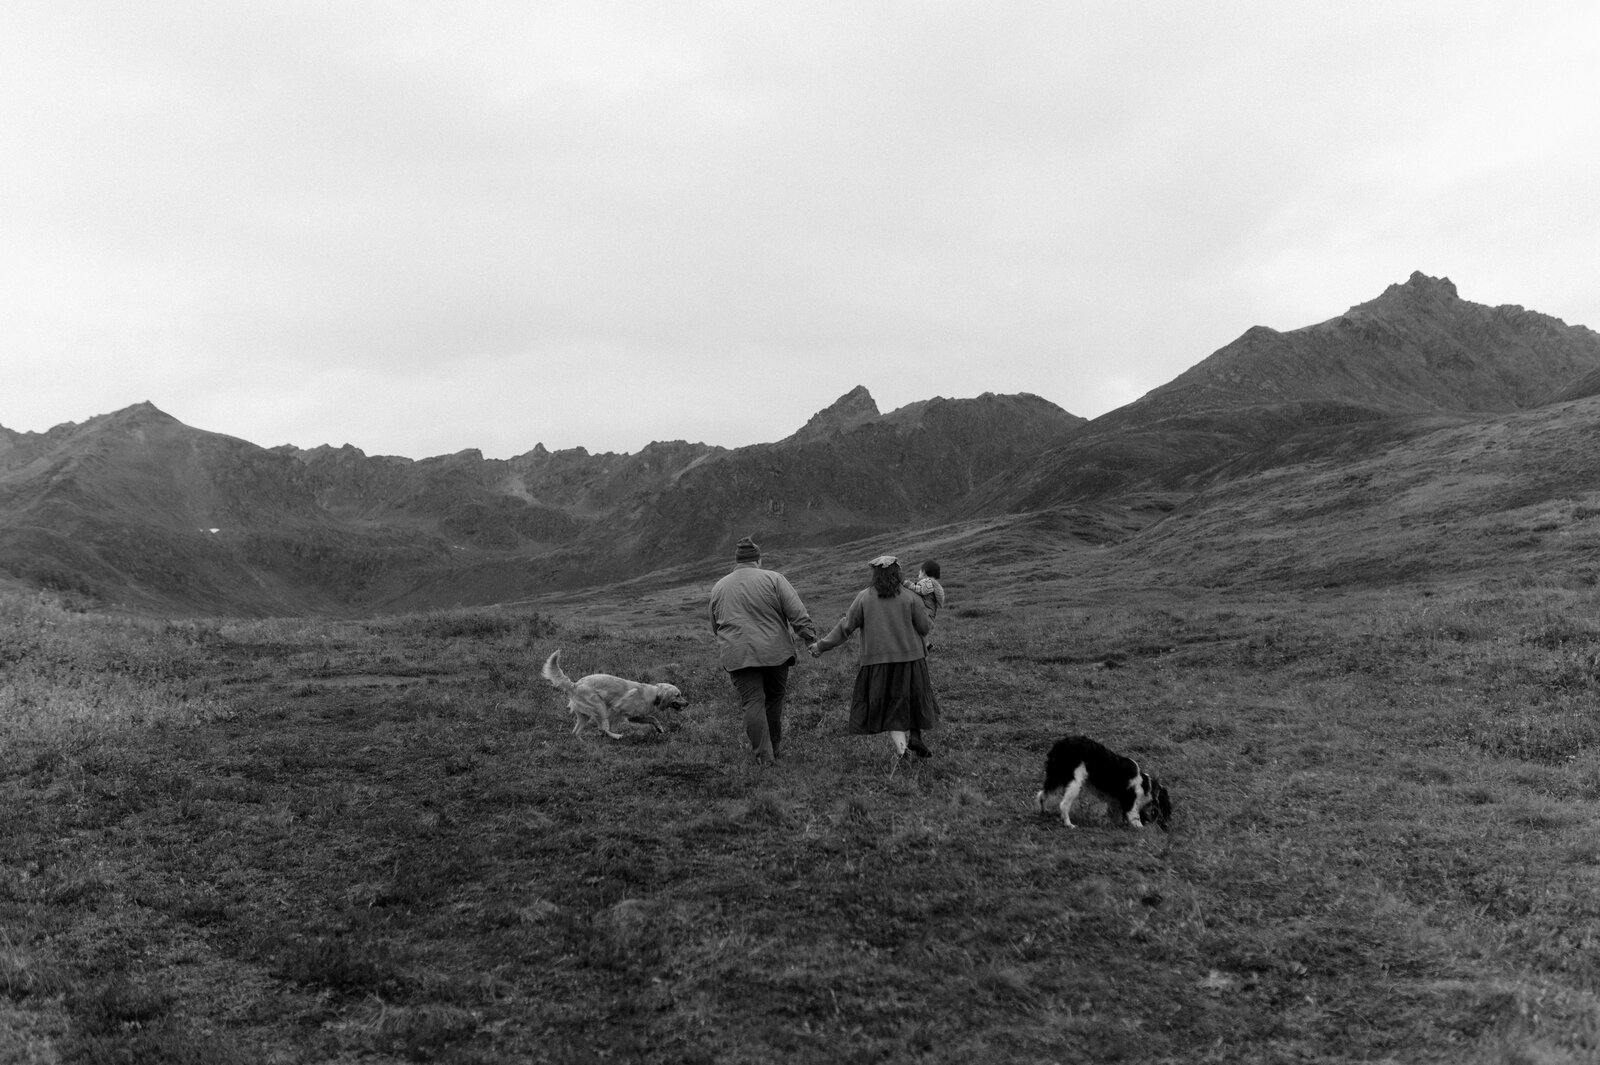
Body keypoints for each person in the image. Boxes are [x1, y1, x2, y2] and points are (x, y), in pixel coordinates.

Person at [809, 554, 939, 758]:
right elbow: (924, 628)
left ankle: (902, 751)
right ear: (898, 573)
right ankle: (915, 736)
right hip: (912, 661)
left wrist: (821, 646)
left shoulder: (864, 597)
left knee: (891, 707)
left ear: (875, 575)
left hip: (879, 664)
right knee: (913, 701)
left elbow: (845, 627)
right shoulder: (910, 597)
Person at [709, 535, 819, 766]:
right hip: (775, 652)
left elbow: (715, 625)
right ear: (758, 560)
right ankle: (774, 747)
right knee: (774, 697)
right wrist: (810, 638)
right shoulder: (774, 579)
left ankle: (764, 756)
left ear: (737, 560)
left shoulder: (719, 586)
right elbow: (797, 612)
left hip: (737, 653)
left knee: (752, 701)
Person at [903, 559, 946, 649]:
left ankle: (922, 646)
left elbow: (921, 590)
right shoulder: (933, 583)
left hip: (925, 614)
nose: (918, 573)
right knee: (919, 631)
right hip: (929, 615)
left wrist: (907, 584)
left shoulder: (927, 581)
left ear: (924, 572)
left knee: (912, 626)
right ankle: (927, 645)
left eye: (920, 571)